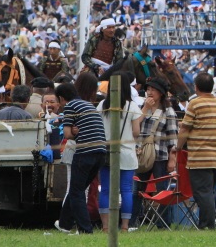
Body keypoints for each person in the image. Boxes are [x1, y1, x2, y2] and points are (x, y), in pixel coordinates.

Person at [54, 82, 107, 234]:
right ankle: (64, 224)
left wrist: (74, 132)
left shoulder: (70, 106)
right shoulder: (88, 105)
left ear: (62, 98)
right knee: (78, 189)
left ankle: (85, 229)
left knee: (76, 192)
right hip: (100, 153)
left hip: (85, 152)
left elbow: (67, 134)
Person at [176, 72, 216, 229]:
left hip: (200, 157)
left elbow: (185, 128)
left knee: (201, 194)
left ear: (196, 87)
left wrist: (178, 146)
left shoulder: (195, 104)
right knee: (209, 193)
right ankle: (205, 224)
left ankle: (208, 225)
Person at [131, 77, 179, 228]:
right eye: (148, 89)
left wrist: (172, 159)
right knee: (137, 189)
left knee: (162, 191)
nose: (149, 92)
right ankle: (131, 222)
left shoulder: (168, 110)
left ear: (161, 93)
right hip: (142, 154)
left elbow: (173, 137)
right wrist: (145, 109)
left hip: (160, 155)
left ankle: (163, 223)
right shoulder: (140, 107)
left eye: (153, 90)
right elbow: (134, 126)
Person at [98, 72, 142, 233]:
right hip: (127, 153)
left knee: (106, 190)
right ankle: (124, 226)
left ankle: (105, 226)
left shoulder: (102, 105)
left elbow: (98, 128)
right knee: (126, 190)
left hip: (106, 152)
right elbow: (136, 132)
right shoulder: (132, 107)